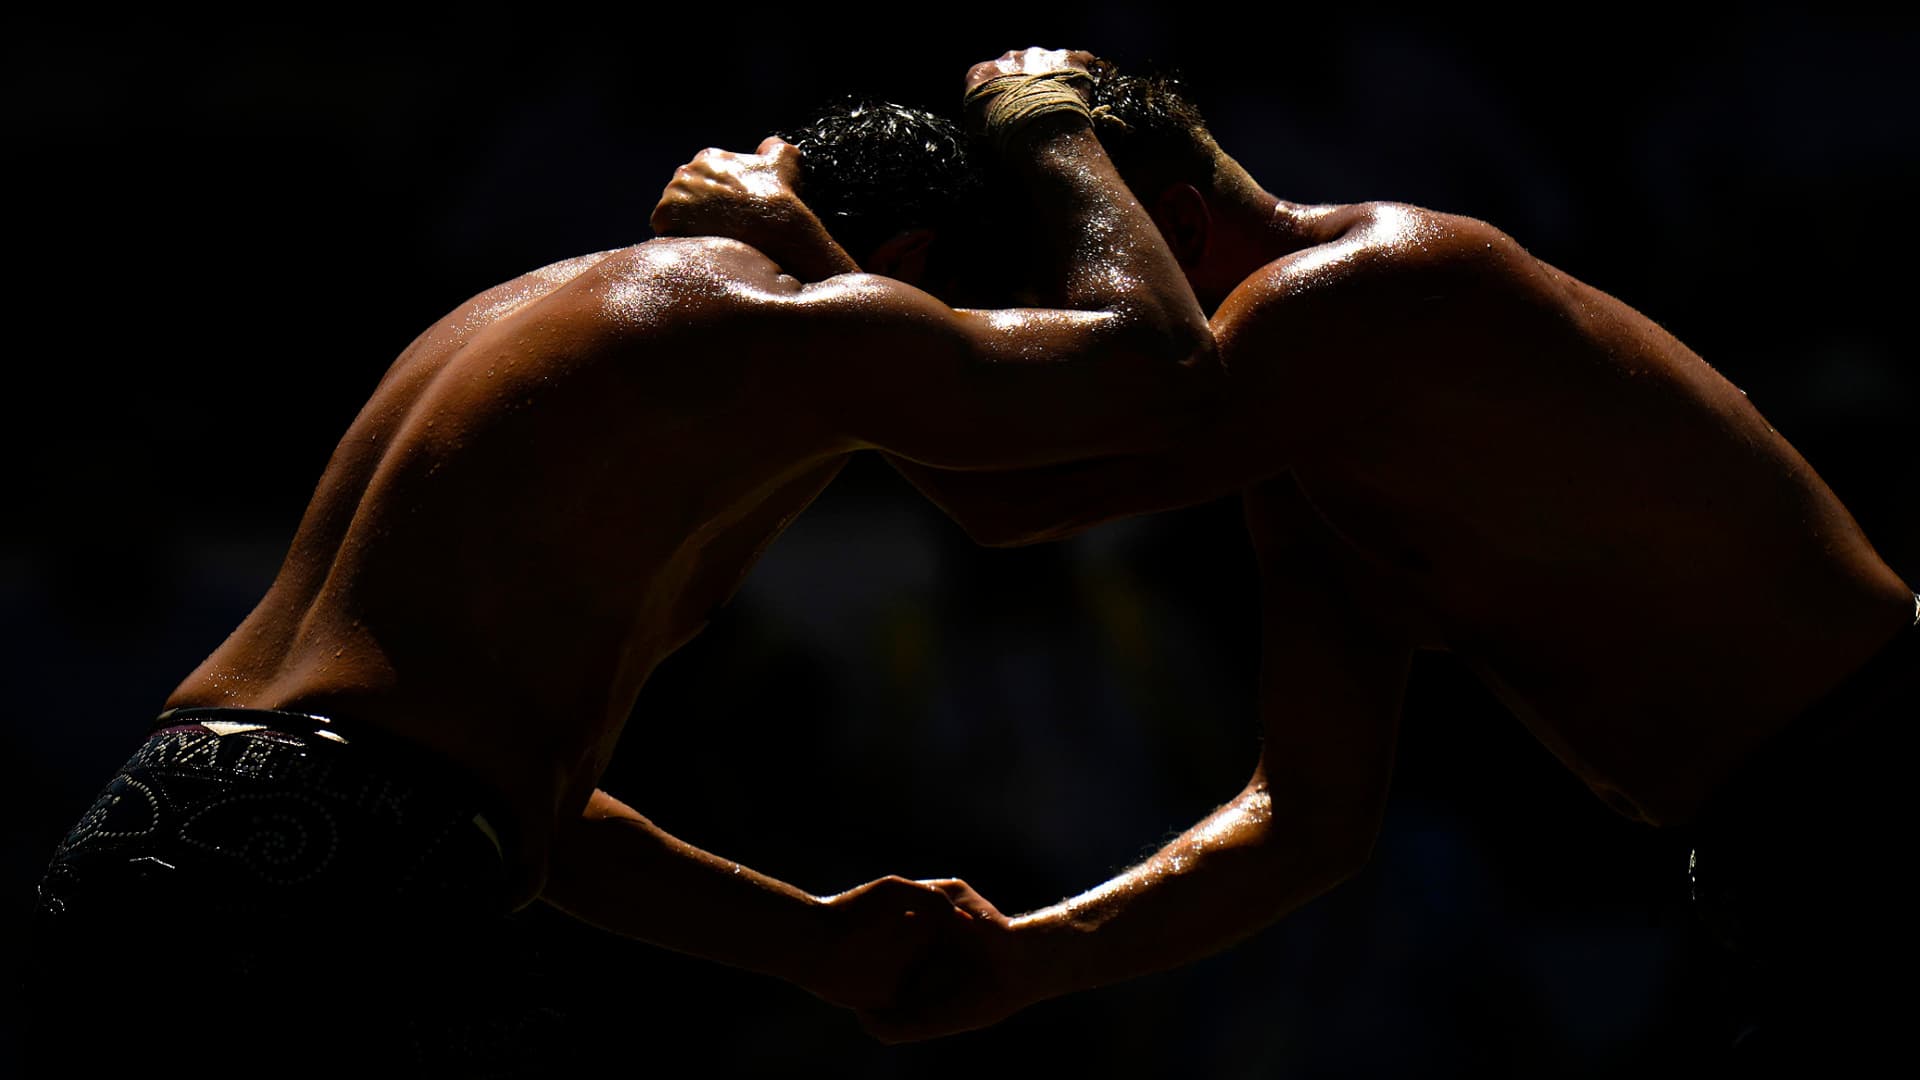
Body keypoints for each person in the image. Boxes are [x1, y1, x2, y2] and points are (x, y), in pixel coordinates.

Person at [19, 49, 1214, 1072]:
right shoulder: (802, 321)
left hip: (162, 818)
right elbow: (1164, 372)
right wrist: (1047, 121)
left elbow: (512, 803)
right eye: (980, 321)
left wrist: (809, 940)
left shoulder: (519, 316)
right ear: (909, 266)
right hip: (350, 864)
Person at [824, 58, 1916, 1067]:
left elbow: (1020, 498)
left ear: (1179, 230)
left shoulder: (1372, 285)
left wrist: (832, 295)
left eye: (1085, 316)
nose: (1083, 358)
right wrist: (1032, 957)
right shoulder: (1304, 465)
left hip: (1873, 787)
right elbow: (1309, 818)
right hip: (1778, 855)